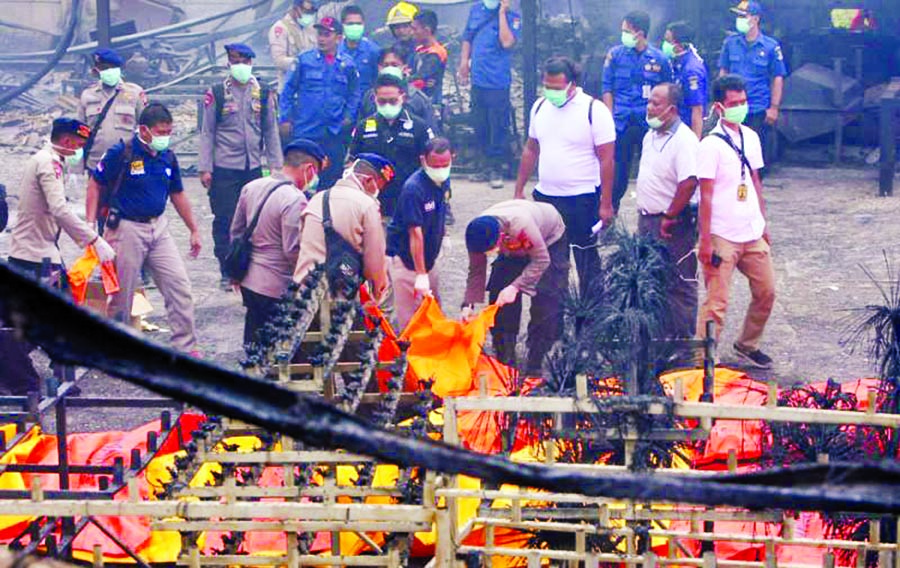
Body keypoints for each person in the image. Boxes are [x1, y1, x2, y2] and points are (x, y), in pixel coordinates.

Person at [86, 103, 202, 354]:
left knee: (179, 287)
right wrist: (89, 226)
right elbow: (95, 184)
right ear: (144, 130)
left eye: (168, 131)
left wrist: (193, 229)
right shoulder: (122, 153)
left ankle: (186, 347)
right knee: (121, 296)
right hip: (126, 230)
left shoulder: (167, 156)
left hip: (158, 229)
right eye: (160, 131)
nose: (165, 136)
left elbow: (177, 193)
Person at [515, 56, 615, 293]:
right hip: (546, 197)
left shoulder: (594, 110)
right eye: (547, 87)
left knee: (586, 260)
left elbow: (607, 160)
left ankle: (593, 316)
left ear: (572, 84)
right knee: (547, 260)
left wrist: (606, 203)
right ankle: (552, 322)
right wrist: (519, 189)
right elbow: (531, 149)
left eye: (557, 88)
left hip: (582, 198)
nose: (551, 92)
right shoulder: (539, 107)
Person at [696, 75, 775, 369]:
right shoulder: (710, 146)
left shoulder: (750, 137)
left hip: (750, 230)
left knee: (767, 291)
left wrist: (763, 224)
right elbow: (705, 195)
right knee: (717, 303)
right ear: (719, 107)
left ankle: (748, 344)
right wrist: (705, 240)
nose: (740, 107)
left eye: (743, 102)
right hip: (722, 234)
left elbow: (755, 182)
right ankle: (705, 355)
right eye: (734, 104)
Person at [199, 43, 283, 289]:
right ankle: (226, 270)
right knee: (225, 220)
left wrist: (276, 167)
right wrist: (206, 168)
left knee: (255, 220)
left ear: (251, 63)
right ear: (228, 63)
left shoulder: (264, 93)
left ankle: (250, 269)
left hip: (253, 168)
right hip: (224, 167)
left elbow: (270, 131)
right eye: (235, 61)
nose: (240, 66)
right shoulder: (217, 92)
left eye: (244, 61)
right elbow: (207, 132)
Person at [231, 139, 326, 348]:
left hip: (248, 279)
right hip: (275, 284)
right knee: (280, 347)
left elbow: (236, 232)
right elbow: (292, 250)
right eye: (316, 172)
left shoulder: (252, 186)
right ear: (309, 169)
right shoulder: (295, 199)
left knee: (254, 339)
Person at [463, 200, 568, 376]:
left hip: (549, 240)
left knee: (547, 297)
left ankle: (536, 358)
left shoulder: (521, 226)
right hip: (511, 248)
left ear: (500, 236)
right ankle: (506, 356)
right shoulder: (476, 234)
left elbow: (541, 260)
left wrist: (515, 286)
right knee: (499, 294)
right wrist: (468, 304)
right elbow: (476, 271)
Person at [8, 118, 116, 283]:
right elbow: (59, 209)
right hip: (35, 255)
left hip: (37, 248)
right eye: (79, 145)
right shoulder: (49, 163)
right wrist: (94, 240)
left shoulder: (43, 158)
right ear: (66, 141)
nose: (79, 151)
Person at [635, 83, 700, 343]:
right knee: (651, 280)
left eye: (656, 103)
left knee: (679, 281)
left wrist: (671, 215)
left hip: (673, 222)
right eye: (649, 102)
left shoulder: (684, 140)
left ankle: (682, 344)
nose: (649, 107)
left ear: (671, 109)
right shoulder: (649, 135)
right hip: (648, 219)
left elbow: (689, 181)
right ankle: (657, 338)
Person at [293, 154, 395, 300]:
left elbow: (299, 244)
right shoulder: (367, 205)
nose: (378, 192)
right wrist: (377, 293)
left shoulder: (317, 198)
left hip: (304, 293)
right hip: (339, 297)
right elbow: (375, 265)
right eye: (379, 186)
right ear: (368, 180)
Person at [602, 10, 672, 213]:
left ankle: (653, 216)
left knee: (652, 172)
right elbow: (607, 88)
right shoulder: (615, 55)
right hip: (621, 122)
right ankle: (609, 215)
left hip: (648, 124)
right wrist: (609, 118)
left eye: (626, 31)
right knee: (617, 174)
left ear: (639, 33)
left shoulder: (659, 59)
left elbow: (667, 92)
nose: (623, 34)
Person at [279, 16, 360, 189]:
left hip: (333, 131)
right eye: (320, 34)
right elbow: (287, 90)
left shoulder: (347, 64)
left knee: (330, 178)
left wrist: (349, 116)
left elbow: (354, 94)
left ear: (338, 38)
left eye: (327, 35)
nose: (321, 39)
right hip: (306, 129)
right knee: (302, 178)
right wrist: (285, 118)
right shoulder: (304, 60)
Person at [347, 73, 433, 220]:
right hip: (372, 203)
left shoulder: (419, 127)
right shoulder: (364, 127)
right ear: (375, 99)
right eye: (382, 101)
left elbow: (430, 165)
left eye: (393, 101)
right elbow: (351, 164)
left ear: (403, 98)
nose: (387, 105)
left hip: (408, 200)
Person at [386, 137, 451, 331]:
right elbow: (415, 234)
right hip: (407, 260)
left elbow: (443, 207)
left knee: (433, 310)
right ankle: (406, 358)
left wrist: (444, 234)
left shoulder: (443, 180)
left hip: (429, 258)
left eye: (445, 165)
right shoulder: (413, 190)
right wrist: (420, 274)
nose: (440, 169)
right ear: (423, 161)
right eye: (435, 165)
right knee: (410, 321)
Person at [457, 0, 521, 189]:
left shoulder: (513, 17)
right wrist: (464, 62)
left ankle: (496, 168)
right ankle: (484, 165)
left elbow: (507, 42)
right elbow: (467, 37)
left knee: (498, 125)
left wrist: (502, 14)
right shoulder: (476, 10)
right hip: (478, 78)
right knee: (480, 123)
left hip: (498, 81)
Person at [717, 0, 786, 166]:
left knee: (755, 155)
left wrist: (774, 108)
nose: (739, 20)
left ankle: (754, 187)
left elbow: (778, 77)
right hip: (732, 107)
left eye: (743, 16)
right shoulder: (730, 43)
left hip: (757, 107)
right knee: (730, 152)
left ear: (755, 19)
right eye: (738, 16)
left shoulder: (770, 46)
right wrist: (719, 101)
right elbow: (723, 72)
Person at [77, 49, 147, 173]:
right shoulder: (87, 96)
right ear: (96, 71)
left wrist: (141, 167)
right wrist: (76, 169)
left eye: (112, 68)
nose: (109, 71)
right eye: (104, 68)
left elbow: (146, 130)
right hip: (96, 165)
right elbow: (79, 134)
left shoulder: (135, 93)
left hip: (127, 164)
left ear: (119, 69)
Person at [269, 0, 350, 91]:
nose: (309, 15)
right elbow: (279, 61)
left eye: (312, 12)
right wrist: (302, 63)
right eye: (306, 12)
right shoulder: (280, 29)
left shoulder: (312, 27)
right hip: (289, 86)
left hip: (311, 88)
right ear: (296, 8)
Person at [361, 48, 438, 133]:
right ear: (379, 68)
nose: (389, 68)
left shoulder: (418, 99)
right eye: (386, 65)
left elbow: (431, 135)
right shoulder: (369, 97)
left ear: (404, 67)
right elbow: (360, 130)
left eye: (394, 65)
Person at [663, 21, 707, 139]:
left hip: (686, 130)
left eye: (668, 41)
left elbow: (697, 110)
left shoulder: (691, 70)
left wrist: (695, 142)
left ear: (679, 45)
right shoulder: (676, 62)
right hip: (674, 128)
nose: (664, 45)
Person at [338, 5, 381, 101]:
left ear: (364, 24)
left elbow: (378, 80)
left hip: (366, 103)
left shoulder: (373, 51)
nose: (354, 27)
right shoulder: (336, 51)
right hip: (342, 104)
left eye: (358, 24)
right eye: (350, 24)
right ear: (343, 25)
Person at [410, 10, 447, 107]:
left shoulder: (436, 53)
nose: (412, 33)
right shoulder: (420, 49)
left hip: (430, 104)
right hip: (416, 100)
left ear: (427, 30)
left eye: (415, 29)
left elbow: (420, 76)